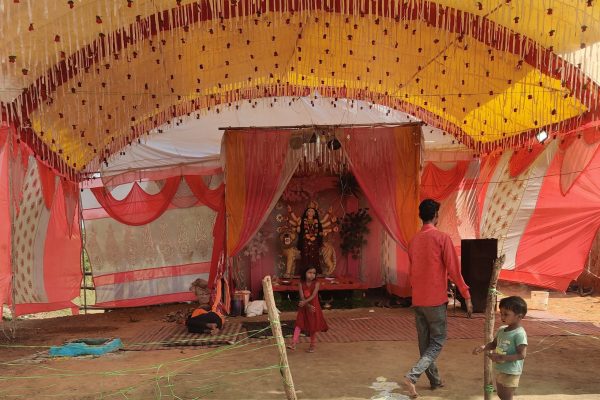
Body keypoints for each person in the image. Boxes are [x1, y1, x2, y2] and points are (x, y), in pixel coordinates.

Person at [403, 198, 473, 399]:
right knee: (438, 341)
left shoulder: (413, 241)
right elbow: (454, 270)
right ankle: (413, 375)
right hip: (435, 300)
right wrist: (466, 295)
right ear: (435, 216)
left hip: (418, 299)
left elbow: (412, 272)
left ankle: (435, 381)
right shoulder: (442, 238)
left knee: (425, 344)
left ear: (421, 216)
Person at [472, 296, 528, 400]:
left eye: (506, 314)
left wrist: (502, 358)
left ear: (519, 316)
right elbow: (494, 344)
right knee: (501, 394)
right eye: (501, 313)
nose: (502, 316)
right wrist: (483, 347)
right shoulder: (502, 330)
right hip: (501, 369)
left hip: (511, 371)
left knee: (506, 397)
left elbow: (522, 355)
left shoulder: (519, 334)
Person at [287, 266, 328, 353]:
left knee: (312, 326)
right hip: (304, 307)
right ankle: (293, 343)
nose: (312, 275)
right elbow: (302, 296)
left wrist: (306, 304)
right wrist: (306, 305)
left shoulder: (317, 283)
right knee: (299, 324)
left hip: (313, 307)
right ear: (304, 273)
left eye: (314, 273)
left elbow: (313, 295)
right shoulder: (301, 283)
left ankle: (312, 345)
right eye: (309, 272)